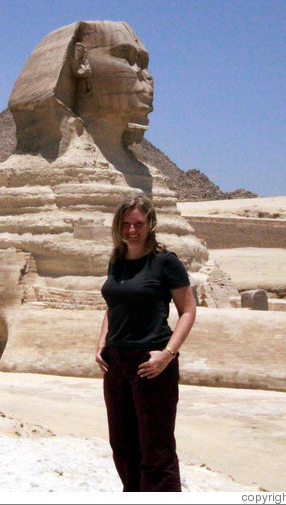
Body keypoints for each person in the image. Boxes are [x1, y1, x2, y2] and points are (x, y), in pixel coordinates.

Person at [96, 193, 197, 492]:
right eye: (125, 224)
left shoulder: (165, 262)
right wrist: (101, 344)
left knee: (156, 449)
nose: (131, 230)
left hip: (151, 363)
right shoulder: (116, 260)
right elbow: (112, 307)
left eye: (138, 224)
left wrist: (166, 355)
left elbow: (188, 311)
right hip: (115, 364)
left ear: (150, 224)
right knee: (123, 445)